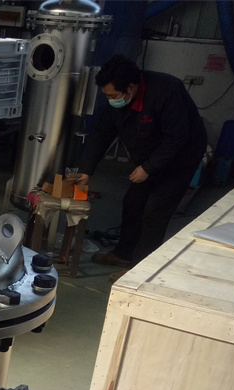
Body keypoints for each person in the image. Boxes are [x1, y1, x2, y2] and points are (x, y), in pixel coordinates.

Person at [76, 55, 207, 277]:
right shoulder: (118, 100)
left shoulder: (166, 91)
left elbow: (177, 137)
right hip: (151, 154)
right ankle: (124, 253)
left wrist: (148, 168)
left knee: (155, 209)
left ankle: (140, 270)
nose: (110, 99)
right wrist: (85, 171)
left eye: (113, 95)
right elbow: (102, 134)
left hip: (181, 155)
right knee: (133, 202)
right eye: (106, 95)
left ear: (131, 87)